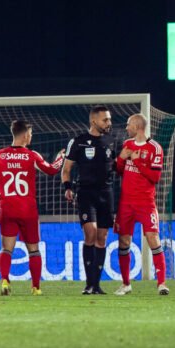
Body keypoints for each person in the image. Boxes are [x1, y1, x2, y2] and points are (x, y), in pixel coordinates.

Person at [0, 120, 64, 296]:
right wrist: (60, 158)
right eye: (31, 134)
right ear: (25, 135)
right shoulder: (31, 155)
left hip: (7, 208)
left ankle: (5, 281)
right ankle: (36, 288)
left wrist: (2, 199)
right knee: (34, 250)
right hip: (27, 209)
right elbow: (51, 170)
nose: (31, 137)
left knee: (6, 249)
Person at [61, 105, 115, 295]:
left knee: (102, 237)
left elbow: (119, 166)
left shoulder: (112, 141)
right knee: (90, 233)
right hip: (85, 193)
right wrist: (68, 188)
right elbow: (66, 170)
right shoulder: (78, 142)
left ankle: (96, 285)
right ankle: (89, 284)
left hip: (106, 194)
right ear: (94, 121)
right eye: (105, 120)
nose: (109, 123)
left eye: (109, 119)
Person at [114, 114, 168, 296]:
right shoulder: (127, 144)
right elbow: (119, 170)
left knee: (153, 238)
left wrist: (137, 161)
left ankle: (161, 284)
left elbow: (155, 177)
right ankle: (126, 284)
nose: (126, 128)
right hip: (126, 203)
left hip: (145, 202)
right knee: (124, 241)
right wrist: (121, 158)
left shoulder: (155, 148)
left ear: (137, 126)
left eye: (128, 125)